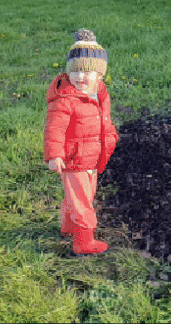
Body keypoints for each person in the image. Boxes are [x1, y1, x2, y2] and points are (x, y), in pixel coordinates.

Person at [44, 28, 119, 255]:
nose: (81, 76)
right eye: (75, 70)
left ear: (100, 75)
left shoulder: (100, 94)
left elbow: (104, 121)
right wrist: (54, 154)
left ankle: (68, 227)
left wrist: (111, 137)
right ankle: (83, 241)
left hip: (91, 158)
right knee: (82, 200)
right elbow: (54, 128)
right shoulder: (65, 99)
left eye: (88, 71)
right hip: (74, 158)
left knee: (78, 195)